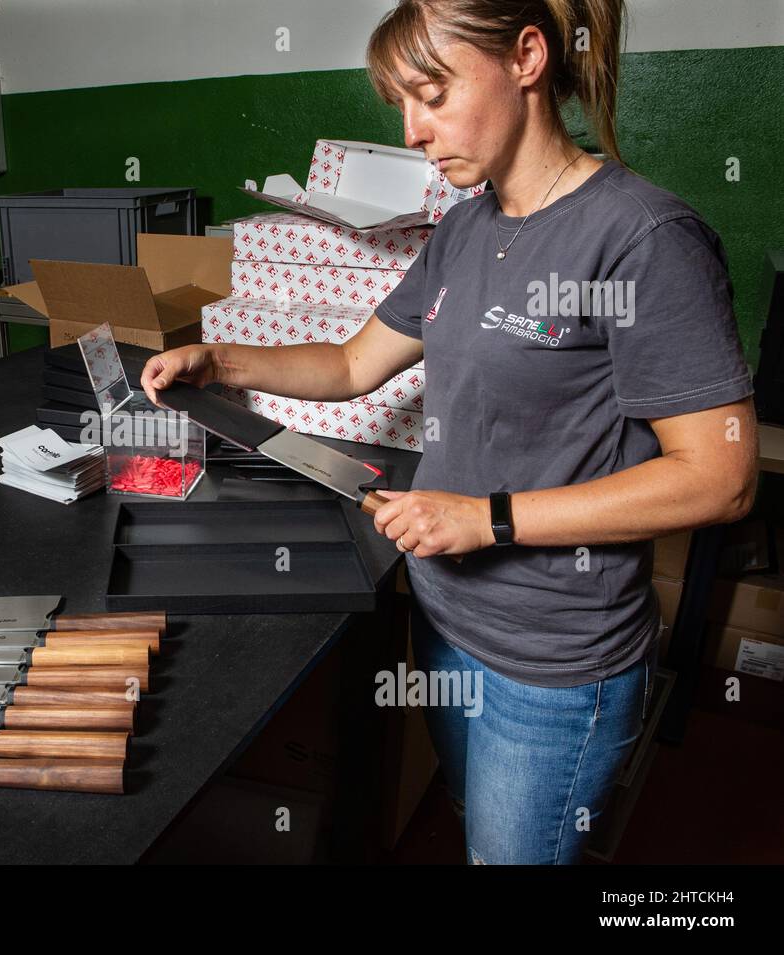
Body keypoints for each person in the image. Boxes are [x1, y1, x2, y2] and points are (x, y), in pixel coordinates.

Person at [140, 0, 759, 864]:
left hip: (553, 665)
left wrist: (485, 518)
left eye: (431, 94)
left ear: (528, 58)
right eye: (402, 103)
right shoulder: (466, 229)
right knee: (480, 829)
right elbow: (355, 364)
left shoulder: (645, 238)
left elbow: (721, 478)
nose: (414, 130)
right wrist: (221, 361)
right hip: (443, 616)